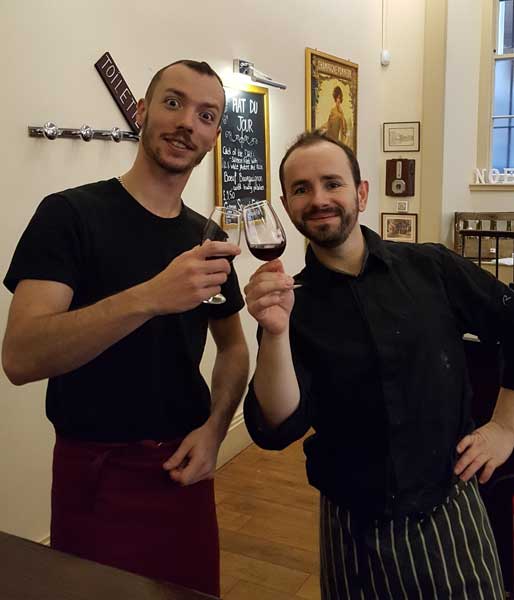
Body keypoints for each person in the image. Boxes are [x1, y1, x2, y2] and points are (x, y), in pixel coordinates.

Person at [2, 59, 249, 597]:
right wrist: (151, 297)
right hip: (94, 475)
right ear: (141, 111)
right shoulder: (68, 215)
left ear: (214, 137)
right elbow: (20, 356)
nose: (187, 123)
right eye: (173, 102)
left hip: (184, 473)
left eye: (206, 115)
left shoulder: (207, 238)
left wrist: (215, 430)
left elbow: (234, 348)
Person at [243, 130, 514, 599]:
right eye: (302, 189)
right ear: (287, 206)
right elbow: (278, 425)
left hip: (450, 500)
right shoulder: (293, 304)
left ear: (361, 193)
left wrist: (506, 427)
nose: (319, 199)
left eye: (333, 183)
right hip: (354, 521)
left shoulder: (431, 267)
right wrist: (275, 332)